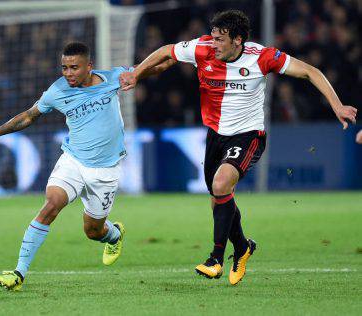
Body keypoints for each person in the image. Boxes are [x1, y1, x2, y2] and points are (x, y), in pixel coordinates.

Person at [120, 10, 357, 285]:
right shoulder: (202, 47)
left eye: (221, 39)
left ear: (238, 40)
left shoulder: (262, 57)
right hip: (216, 136)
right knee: (219, 198)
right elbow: (166, 52)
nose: (215, 43)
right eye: (214, 37)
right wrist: (137, 72)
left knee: (221, 185)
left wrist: (337, 105)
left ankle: (216, 259)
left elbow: (309, 71)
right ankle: (243, 247)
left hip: (249, 135)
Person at [0, 42, 172, 291]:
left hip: (105, 170)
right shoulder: (57, 91)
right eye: (64, 67)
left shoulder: (112, 78)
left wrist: (174, 59)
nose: (68, 73)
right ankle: (19, 273)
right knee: (51, 204)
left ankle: (114, 235)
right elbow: (28, 116)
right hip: (74, 160)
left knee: (93, 231)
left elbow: (146, 70)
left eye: (74, 67)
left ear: (89, 67)